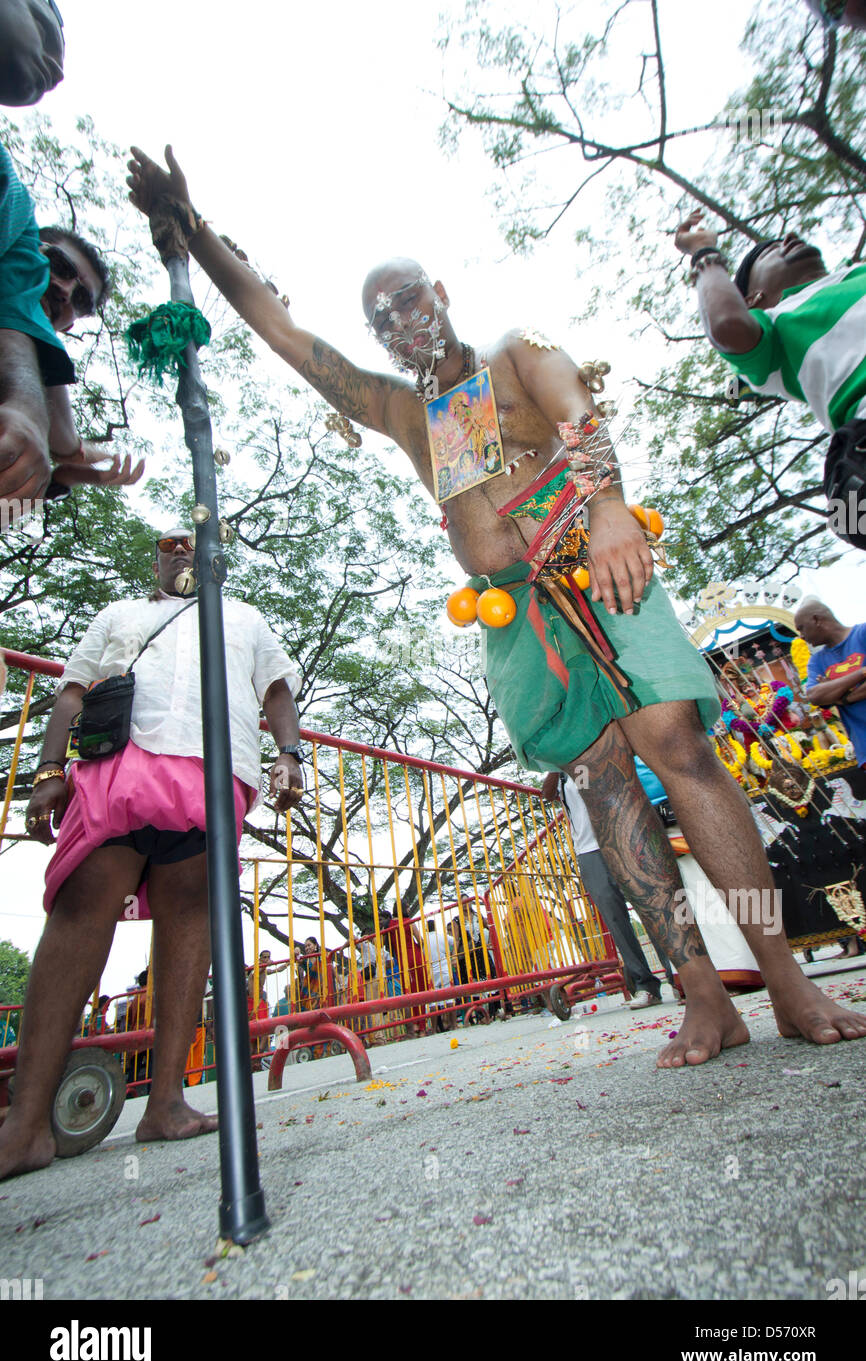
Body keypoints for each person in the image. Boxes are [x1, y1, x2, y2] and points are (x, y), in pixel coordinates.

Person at [125, 149, 866, 1068]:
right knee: (602, 787)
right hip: (519, 621)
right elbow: (286, 335)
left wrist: (604, 512)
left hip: (599, 569)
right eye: (380, 317)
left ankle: (786, 978)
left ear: (438, 290)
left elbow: (580, 418)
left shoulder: (520, 350)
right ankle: (703, 996)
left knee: (676, 745)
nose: (399, 321)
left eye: (407, 298)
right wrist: (192, 233)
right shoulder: (404, 412)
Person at [0, 527, 304, 1178]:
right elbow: (73, 690)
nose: (183, 551)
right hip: (116, 769)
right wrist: (49, 768)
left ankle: (165, 1101)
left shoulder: (244, 618)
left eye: (197, 544)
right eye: (171, 543)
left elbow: (278, 688)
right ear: (158, 557)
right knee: (82, 905)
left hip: (211, 768)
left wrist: (289, 754)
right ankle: (24, 1126)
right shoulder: (119, 615)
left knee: (190, 911)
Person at [0, 2, 143, 513]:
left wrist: (64, 471)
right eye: (58, 268)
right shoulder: (9, 202)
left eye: (80, 299)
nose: (62, 291)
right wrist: (69, 450)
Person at [674, 214, 866, 551]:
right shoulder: (776, 325)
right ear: (754, 300)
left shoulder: (857, 274)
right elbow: (726, 324)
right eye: (769, 251)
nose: (790, 235)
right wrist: (704, 252)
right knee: (851, 511)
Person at [543, 770, 673, 1008]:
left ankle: (679, 975)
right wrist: (554, 766)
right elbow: (546, 794)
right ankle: (645, 985)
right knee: (615, 919)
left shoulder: (591, 756)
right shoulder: (560, 774)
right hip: (588, 849)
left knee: (648, 908)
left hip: (620, 837)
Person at [795, 599, 866, 768]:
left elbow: (825, 695)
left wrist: (839, 695)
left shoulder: (862, 633)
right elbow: (814, 696)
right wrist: (861, 673)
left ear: (817, 620)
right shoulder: (817, 661)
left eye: (801, 628)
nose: (801, 636)